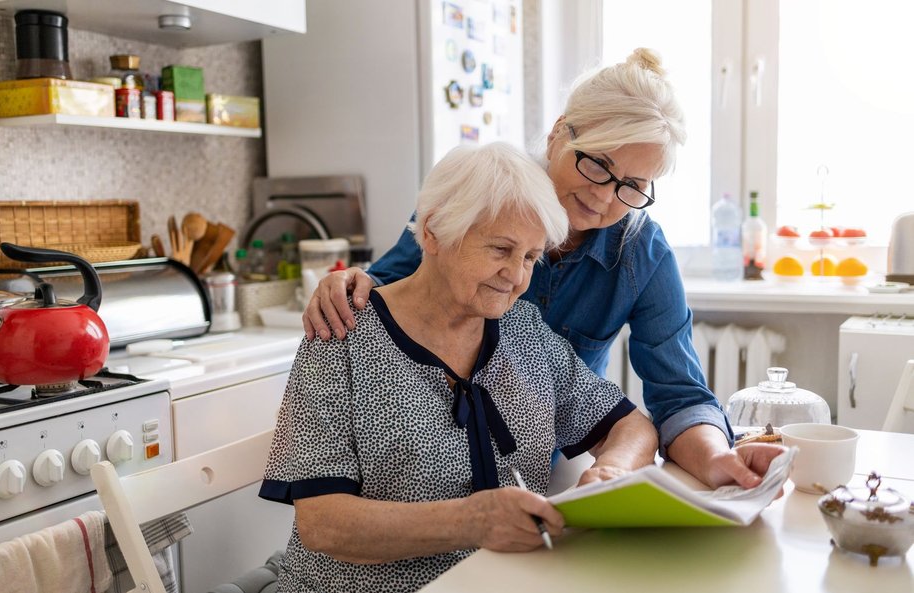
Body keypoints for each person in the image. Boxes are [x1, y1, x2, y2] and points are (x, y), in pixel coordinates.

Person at [302, 48, 785, 491]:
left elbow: (679, 395)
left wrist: (717, 458)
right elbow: (388, 291)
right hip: (428, 470)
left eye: (632, 185)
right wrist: (347, 283)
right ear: (559, 133)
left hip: (544, 468)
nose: (602, 196)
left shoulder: (643, 253)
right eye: (597, 164)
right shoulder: (479, 197)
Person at [260, 142, 658, 593]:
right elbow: (323, 524)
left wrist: (614, 471)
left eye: (530, 257)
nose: (516, 277)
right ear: (432, 232)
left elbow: (631, 425)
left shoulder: (522, 330)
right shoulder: (342, 335)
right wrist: (472, 522)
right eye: (500, 249)